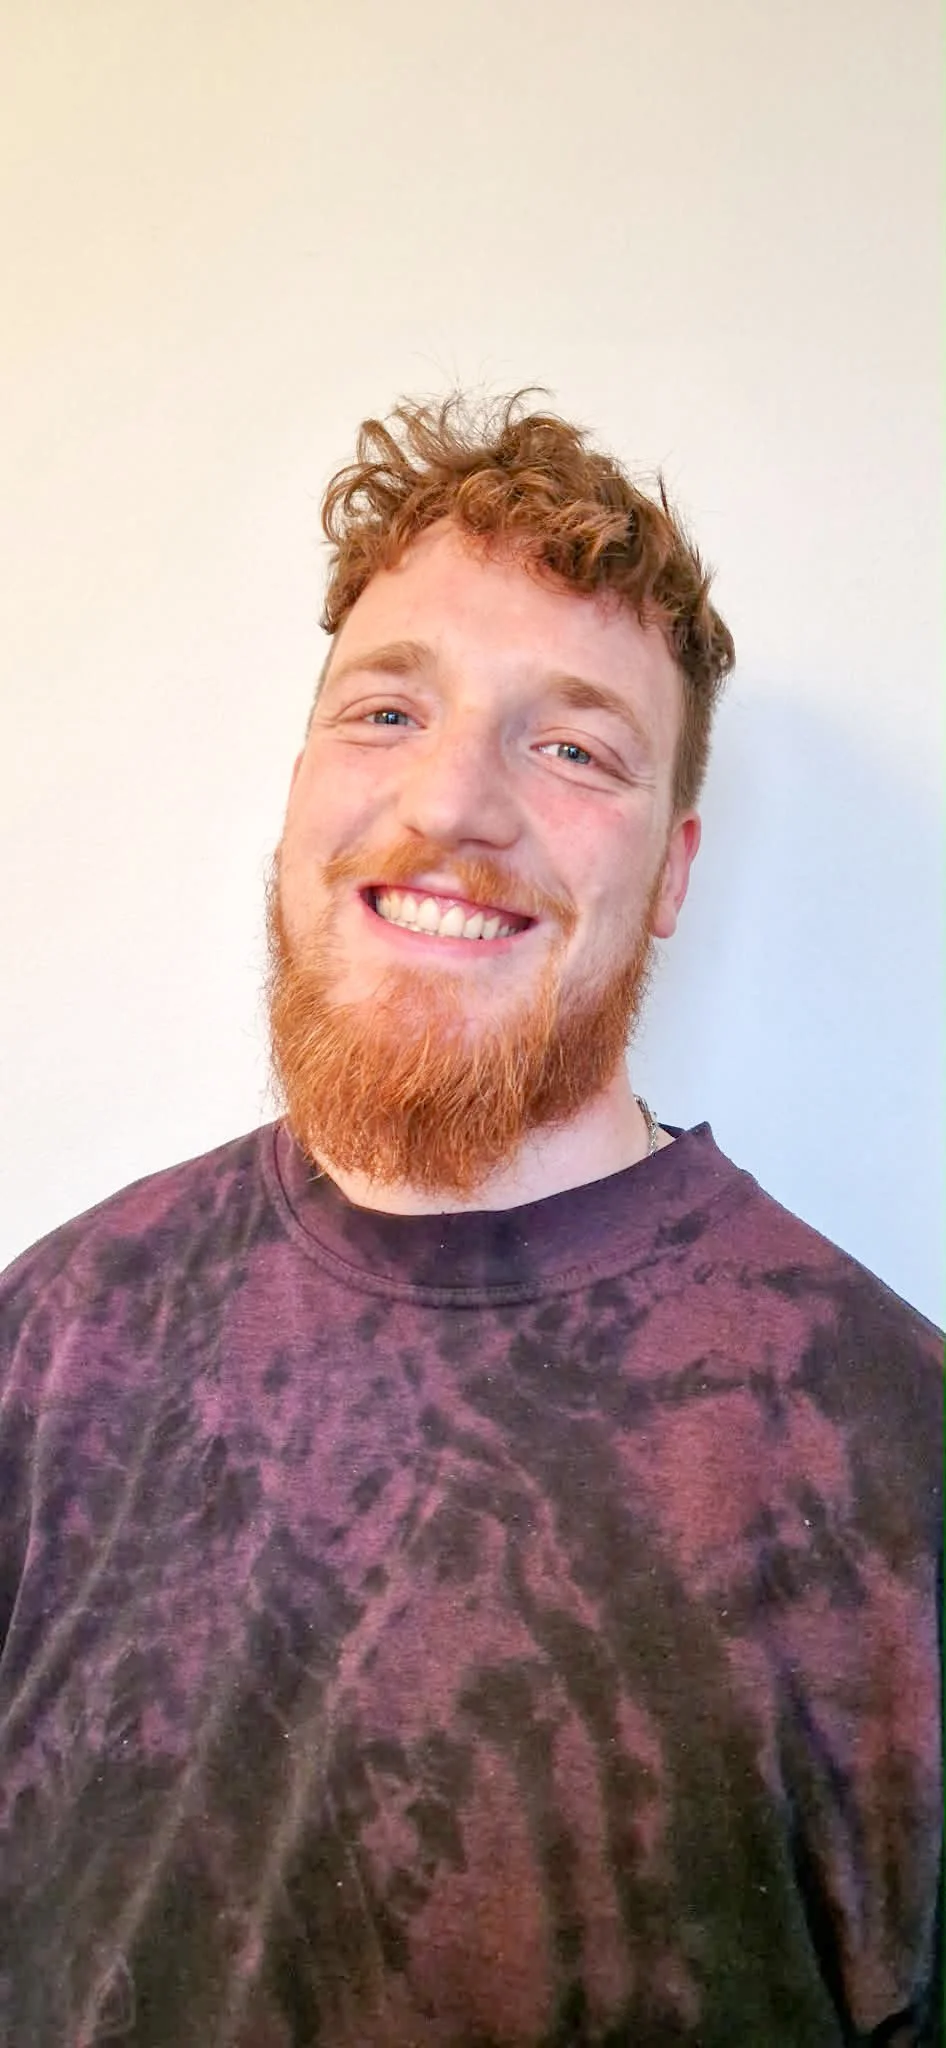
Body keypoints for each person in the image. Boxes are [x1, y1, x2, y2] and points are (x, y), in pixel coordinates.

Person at [0, 391, 940, 2048]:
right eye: (383, 711)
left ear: (669, 874)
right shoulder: (57, 1329)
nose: (452, 805)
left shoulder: (887, 1455)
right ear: (297, 785)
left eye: (572, 747)